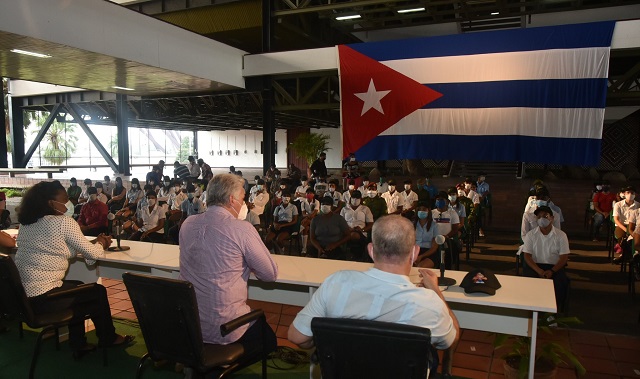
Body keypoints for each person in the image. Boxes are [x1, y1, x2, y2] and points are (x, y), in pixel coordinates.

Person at [288, 215, 459, 374]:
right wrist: (436, 291)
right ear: (414, 253)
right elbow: (450, 339)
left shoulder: (336, 282)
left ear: (371, 250)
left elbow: (297, 336)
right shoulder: (429, 302)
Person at [14, 181, 134, 357]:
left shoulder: (27, 224)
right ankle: (108, 337)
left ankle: (78, 343)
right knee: (97, 291)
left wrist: (90, 245)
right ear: (50, 203)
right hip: (45, 299)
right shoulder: (63, 222)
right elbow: (92, 255)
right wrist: (100, 243)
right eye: (64, 200)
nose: (68, 203)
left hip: (23, 297)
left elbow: (60, 246)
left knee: (78, 285)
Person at [179, 173, 278, 362]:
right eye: (242, 198)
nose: (244, 204)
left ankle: (197, 362)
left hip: (191, 324)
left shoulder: (188, 223)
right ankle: (217, 367)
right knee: (269, 340)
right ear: (232, 199)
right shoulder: (241, 228)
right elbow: (269, 274)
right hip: (225, 327)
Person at [522, 206, 570, 310]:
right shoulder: (531, 235)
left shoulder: (561, 235)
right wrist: (539, 270)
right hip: (535, 266)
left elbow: (564, 257)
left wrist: (552, 271)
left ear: (552, 218)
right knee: (528, 282)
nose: (542, 219)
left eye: (545, 216)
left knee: (559, 284)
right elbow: (527, 255)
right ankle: (532, 311)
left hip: (554, 267)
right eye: (538, 217)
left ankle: (551, 312)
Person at [340, 190, 373, 261]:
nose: (355, 200)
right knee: (351, 235)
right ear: (350, 198)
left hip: (361, 232)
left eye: (357, 198)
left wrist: (362, 230)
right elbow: (340, 223)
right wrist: (347, 229)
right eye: (353, 198)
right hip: (347, 231)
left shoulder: (365, 209)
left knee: (355, 235)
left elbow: (370, 223)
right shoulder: (344, 209)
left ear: (360, 199)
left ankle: (357, 256)